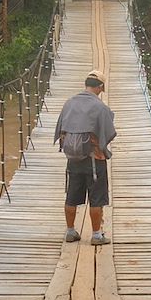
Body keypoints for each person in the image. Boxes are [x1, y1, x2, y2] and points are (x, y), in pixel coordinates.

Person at [54, 69, 116, 245]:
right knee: (97, 198)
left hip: (73, 159)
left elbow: (61, 130)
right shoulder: (100, 107)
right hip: (94, 160)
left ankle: (70, 231)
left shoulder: (69, 103)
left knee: (71, 195)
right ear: (100, 87)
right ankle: (96, 235)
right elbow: (109, 133)